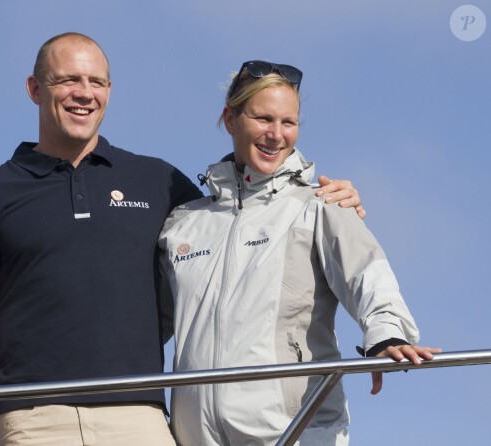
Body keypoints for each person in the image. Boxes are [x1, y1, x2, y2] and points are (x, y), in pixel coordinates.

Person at [0, 34, 364, 446]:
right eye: (68, 80)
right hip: (34, 420)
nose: (84, 93)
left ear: (109, 91)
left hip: (141, 416)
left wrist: (323, 197)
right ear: (35, 89)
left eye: (97, 82)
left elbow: (240, 220)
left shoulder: (158, 181)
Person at [158, 60, 441, 446]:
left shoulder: (321, 204)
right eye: (263, 119)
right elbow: (146, 319)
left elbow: (367, 274)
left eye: (288, 123)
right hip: (196, 436)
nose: (276, 135)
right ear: (230, 118)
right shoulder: (184, 223)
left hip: (295, 430)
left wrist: (386, 335)